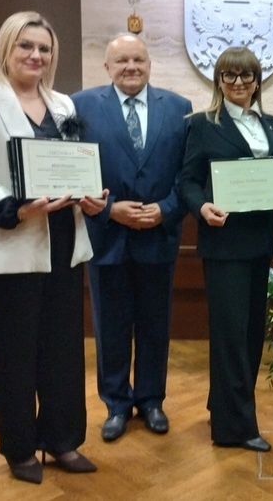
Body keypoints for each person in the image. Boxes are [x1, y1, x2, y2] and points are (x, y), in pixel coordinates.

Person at [0, 11, 106, 484]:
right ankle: (19, 447)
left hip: (62, 244)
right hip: (11, 243)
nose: (36, 55)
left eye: (44, 48)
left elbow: (74, 165)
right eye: (26, 46)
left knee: (62, 348)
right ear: (7, 48)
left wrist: (92, 196)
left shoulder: (63, 104)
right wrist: (16, 208)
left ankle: (62, 439)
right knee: (14, 353)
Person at [71, 34, 192, 442]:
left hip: (159, 237)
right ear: (107, 67)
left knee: (156, 324)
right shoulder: (79, 106)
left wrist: (165, 210)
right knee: (110, 326)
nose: (131, 67)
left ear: (150, 64)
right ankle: (117, 404)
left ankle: (152, 400)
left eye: (138, 59)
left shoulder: (178, 108)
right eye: (121, 60)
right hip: (107, 237)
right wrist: (110, 209)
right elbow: (70, 169)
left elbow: (188, 175)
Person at [179, 46, 273, 452]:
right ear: (218, 80)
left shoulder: (271, 124)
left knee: (249, 334)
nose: (239, 83)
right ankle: (235, 428)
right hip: (224, 242)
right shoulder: (202, 124)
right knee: (230, 335)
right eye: (229, 75)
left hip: (260, 241)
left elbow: (268, 181)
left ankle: (225, 405)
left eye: (247, 75)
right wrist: (201, 207)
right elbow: (187, 181)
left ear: (257, 81)